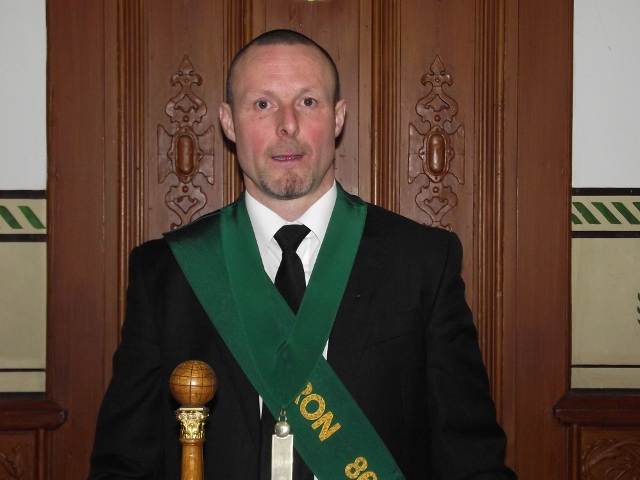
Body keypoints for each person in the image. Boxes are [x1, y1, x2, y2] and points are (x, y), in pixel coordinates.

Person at [89, 29, 517, 480]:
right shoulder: (168, 272)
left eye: (307, 102)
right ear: (229, 122)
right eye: (263, 104)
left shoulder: (422, 263)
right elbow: (123, 464)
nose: (287, 124)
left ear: (338, 117)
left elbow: (471, 461)